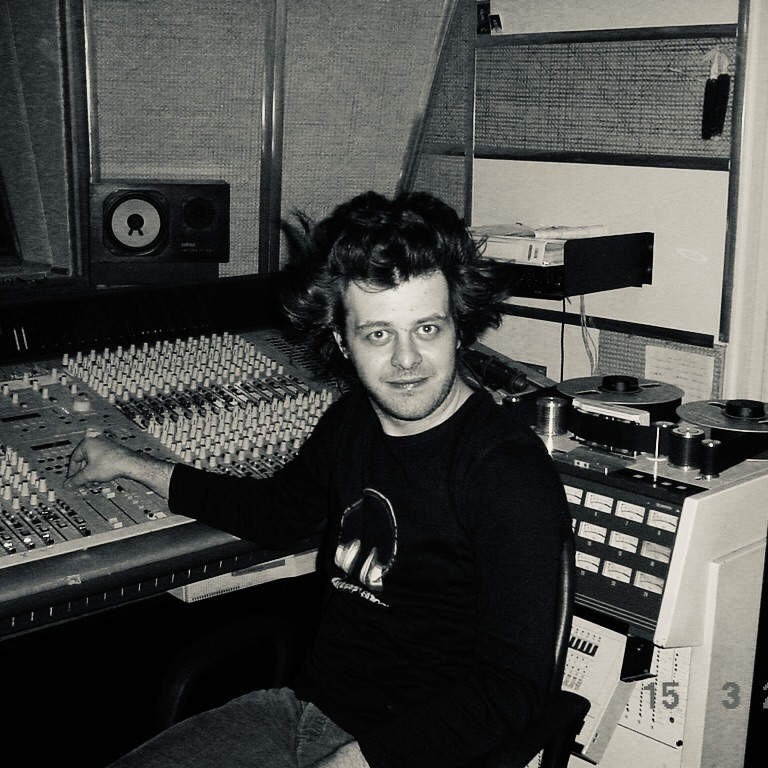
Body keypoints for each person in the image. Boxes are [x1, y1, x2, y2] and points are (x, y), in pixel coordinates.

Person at [64, 190, 571, 768]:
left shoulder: (505, 473)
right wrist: (134, 465)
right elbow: (276, 513)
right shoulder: (352, 422)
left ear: (459, 328)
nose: (407, 359)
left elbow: (513, 687)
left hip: (417, 749)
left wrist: (360, 760)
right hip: (305, 712)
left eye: (427, 328)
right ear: (341, 341)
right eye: (378, 334)